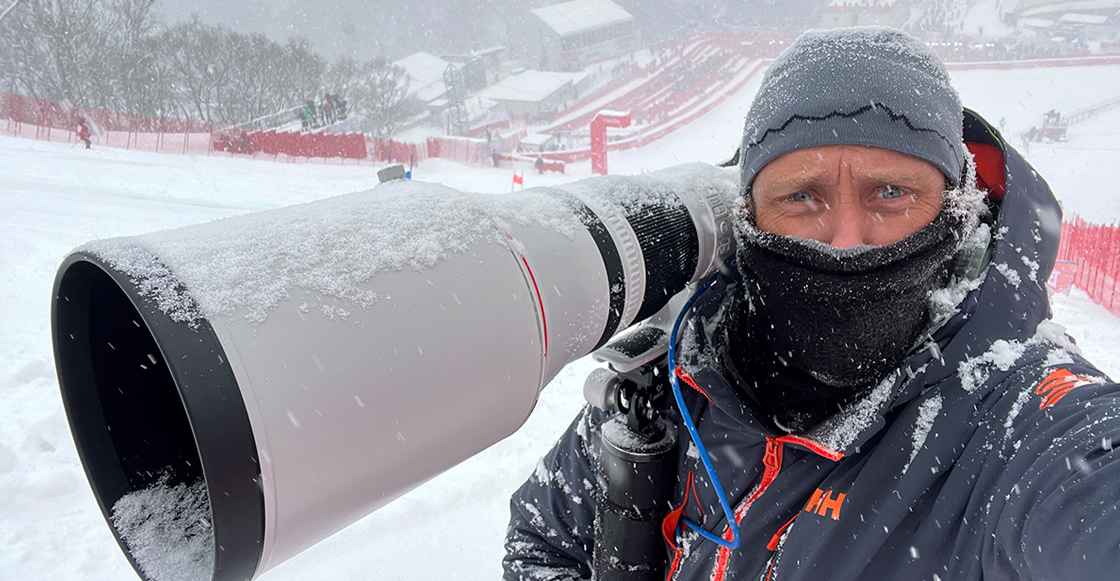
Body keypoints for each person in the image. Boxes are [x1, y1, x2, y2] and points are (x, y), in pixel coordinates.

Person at [504, 28, 1120, 581]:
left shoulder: (1019, 423)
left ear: (955, 212)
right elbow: (544, 538)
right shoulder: (677, 377)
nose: (845, 241)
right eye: (801, 196)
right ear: (750, 217)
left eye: (891, 192)